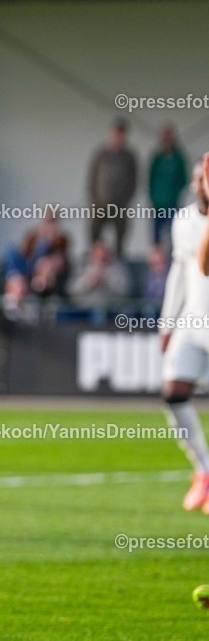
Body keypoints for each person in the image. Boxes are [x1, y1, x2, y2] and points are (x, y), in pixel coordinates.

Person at [160, 161, 209, 512]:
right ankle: (204, 471)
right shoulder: (186, 219)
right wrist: (167, 322)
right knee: (174, 393)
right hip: (192, 321)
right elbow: (181, 271)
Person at [87, 118, 138, 257]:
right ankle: (94, 260)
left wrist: (125, 201)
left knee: (121, 236)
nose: (118, 137)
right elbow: (92, 179)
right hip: (100, 203)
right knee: (94, 235)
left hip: (120, 205)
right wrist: (94, 199)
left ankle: (118, 261)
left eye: (121, 134)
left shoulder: (129, 157)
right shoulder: (101, 154)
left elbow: (134, 181)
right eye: (115, 133)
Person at [148, 124, 188, 247]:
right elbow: (150, 179)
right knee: (156, 235)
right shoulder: (157, 158)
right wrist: (153, 197)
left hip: (172, 202)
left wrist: (175, 194)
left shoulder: (178, 158)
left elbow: (183, 179)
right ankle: (157, 260)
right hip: (158, 203)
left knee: (174, 232)